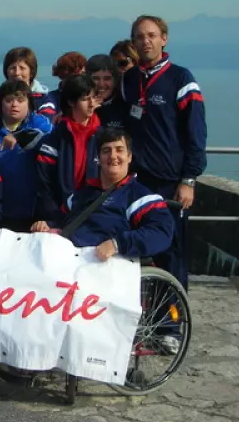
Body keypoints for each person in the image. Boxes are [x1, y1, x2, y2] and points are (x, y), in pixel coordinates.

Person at [31, 128, 178, 353]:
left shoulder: (142, 198)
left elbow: (161, 233)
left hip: (106, 270)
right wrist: (47, 228)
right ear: (98, 158)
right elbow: (61, 223)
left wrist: (118, 243)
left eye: (120, 150)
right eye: (107, 151)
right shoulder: (81, 195)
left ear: (130, 156)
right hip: (70, 266)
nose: (113, 156)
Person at [121, 15, 207, 291]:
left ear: (163, 39)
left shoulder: (181, 79)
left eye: (151, 35)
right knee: (138, 252)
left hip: (170, 182)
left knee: (173, 250)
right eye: (139, 36)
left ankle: (172, 324)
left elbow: (196, 133)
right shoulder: (129, 80)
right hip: (136, 181)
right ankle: (143, 316)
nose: (145, 41)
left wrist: (189, 179)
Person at [0, 80, 53, 231]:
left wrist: (19, 137)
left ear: (29, 104)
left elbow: (49, 137)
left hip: (31, 207)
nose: (14, 104)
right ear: (0, 104)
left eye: (20, 100)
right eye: (9, 100)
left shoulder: (39, 122)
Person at [35, 75, 101, 224]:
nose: (91, 104)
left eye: (93, 98)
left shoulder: (103, 138)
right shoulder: (53, 140)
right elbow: (44, 187)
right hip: (58, 218)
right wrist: (54, 218)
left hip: (94, 217)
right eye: (85, 99)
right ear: (71, 102)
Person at [0, 47, 55, 119]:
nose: (17, 73)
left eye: (22, 68)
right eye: (12, 68)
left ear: (31, 72)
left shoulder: (44, 101)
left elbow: (44, 126)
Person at [43, 51, 88, 119]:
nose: (79, 80)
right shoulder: (50, 98)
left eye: (83, 74)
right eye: (75, 75)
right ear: (64, 74)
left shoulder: (90, 98)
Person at [88, 54, 127, 130]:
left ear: (115, 80)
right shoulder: (79, 108)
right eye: (95, 78)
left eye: (107, 78)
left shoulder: (126, 107)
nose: (101, 84)